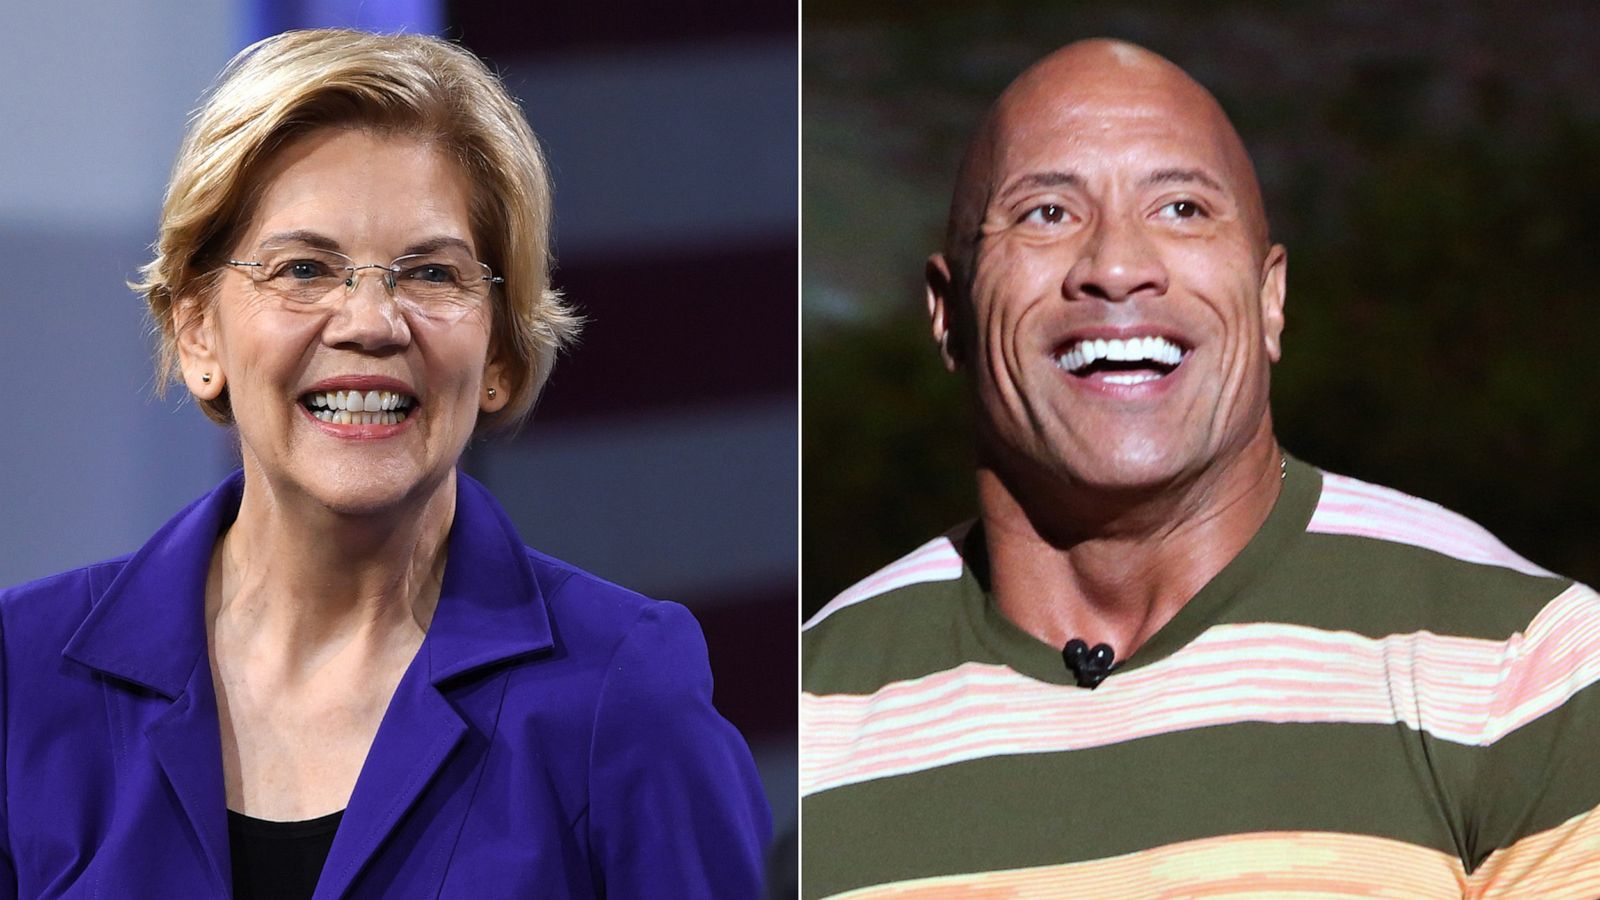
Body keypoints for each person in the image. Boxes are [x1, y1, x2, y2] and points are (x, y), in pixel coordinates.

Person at [801, 38, 1600, 898]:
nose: (1115, 268)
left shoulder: (1520, 669)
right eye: (1046, 213)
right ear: (948, 312)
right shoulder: (801, 722)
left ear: (1269, 300)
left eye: (1181, 208)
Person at [0, 29, 770, 898]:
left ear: (503, 353)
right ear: (197, 329)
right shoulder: (21, 674)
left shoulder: (622, 695)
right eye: (304, 268)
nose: (370, 321)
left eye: (430, 274)